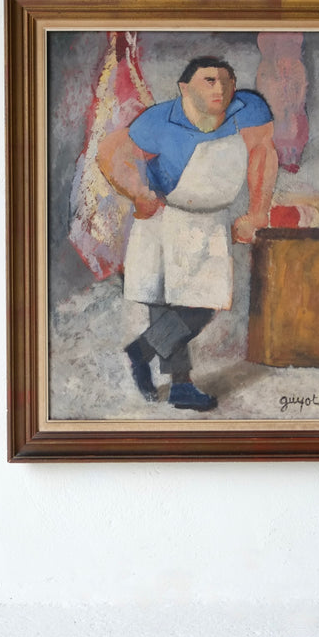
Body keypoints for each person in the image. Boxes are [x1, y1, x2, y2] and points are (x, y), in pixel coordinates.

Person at [97, 56, 278, 411]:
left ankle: (140, 352)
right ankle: (181, 387)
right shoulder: (158, 120)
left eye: (226, 80)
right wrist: (137, 192)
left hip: (210, 222)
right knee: (166, 303)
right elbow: (110, 152)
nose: (220, 88)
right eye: (208, 80)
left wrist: (257, 211)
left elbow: (263, 153)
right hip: (164, 221)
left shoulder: (250, 110)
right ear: (184, 87)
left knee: (202, 306)